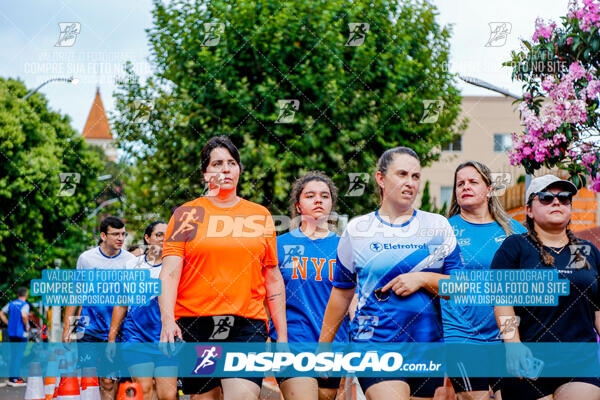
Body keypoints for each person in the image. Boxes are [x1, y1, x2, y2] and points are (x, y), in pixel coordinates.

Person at [320, 146, 462, 400]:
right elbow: (341, 294)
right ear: (380, 178)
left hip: (426, 346)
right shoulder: (358, 230)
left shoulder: (438, 226)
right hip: (375, 344)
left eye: (416, 177)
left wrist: (423, 278)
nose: (410, 183)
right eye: (402, 174)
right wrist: (323, 347)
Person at [159, 135, 287, 400]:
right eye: (217, 164)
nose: (225, 169)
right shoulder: (186, 215)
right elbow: (170, 273)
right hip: (197, 323)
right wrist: (168, 321)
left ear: (239, 169)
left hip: (247, 325)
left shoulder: (260, 215)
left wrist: (281, 336)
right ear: (205, 173)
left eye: (231, 163)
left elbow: (272, 277)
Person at [491, 175, 600, 400]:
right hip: (528, 360)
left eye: (564, 198)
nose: (556, 202)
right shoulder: (515, 247)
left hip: (580, 361)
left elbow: (598, 308)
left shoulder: (588, 250)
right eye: (547, 198)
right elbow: (502, 302)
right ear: (529, 210)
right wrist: (513, 345)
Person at [441, 161, 526, 400]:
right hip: (461, 334)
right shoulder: (444, 230)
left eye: (473, 182)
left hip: (505, 336)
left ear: (489, 189)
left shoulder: (514, 231)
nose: (465, 187)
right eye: (460, 184)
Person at [270, 172, 351, 400]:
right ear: (298, 205)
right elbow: (269, 295)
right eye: (310, 195)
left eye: (324, 196)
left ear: (331, 204)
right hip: (294, 340)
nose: (318, 200)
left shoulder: (344, 247)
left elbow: (351, 300)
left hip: (334, 344)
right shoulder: (279, 245)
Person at [63, 216, 135, 400]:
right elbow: (75, 295)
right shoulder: (86, 259)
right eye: (115, 234)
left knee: (109, 380)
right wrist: (67, 331)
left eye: (123, 234)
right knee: (90, 380)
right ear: (103, 235)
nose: (120, 238)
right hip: (89, 330)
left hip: (117, 331)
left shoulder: (130, 261)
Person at [107, 221, 176, 400]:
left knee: (168, 394)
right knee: (144, 390)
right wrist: (112, 338)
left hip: (165, 338)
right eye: (159, 235)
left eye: (166, 236)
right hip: (136, 337)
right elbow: (121, 304)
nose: (163, 239)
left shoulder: (176, 266)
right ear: (147, 238)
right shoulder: (131, 266)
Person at [0, 287, 30, 386]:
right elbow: (24, 316)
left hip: (11, 332)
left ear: (18, 294)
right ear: (26, 295)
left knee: (13, 355)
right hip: (21, 333)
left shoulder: (11, 303)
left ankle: (12, 378)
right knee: (19, 355)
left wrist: (8, 323)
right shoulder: (25, 305)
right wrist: (26, 327)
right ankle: (16, 378)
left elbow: (1, 313)